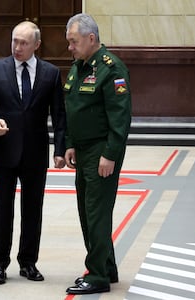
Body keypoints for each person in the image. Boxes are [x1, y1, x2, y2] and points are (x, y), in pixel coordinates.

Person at [0, 21, 66, 285]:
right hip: (4, 151)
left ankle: (28, 262)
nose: (17, 47)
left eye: (24, 43)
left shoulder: (50, 73)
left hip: (35, 153)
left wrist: (60, 149)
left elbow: (59, 115)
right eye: (15, 41)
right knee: (2, 209)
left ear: (36, 45)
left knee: (32, 210)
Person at [63, 13, 132, 295]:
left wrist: (110, 154)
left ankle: (97, 275)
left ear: (91, 39)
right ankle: (107, 266)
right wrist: (69, 143)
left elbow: (120, 117)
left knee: (96, 213)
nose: (70, 47)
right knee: (87, 211)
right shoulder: (78, 67)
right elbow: (73, 109)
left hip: (101, 150)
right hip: (82, 149)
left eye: (74, 41)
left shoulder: (111, 69)